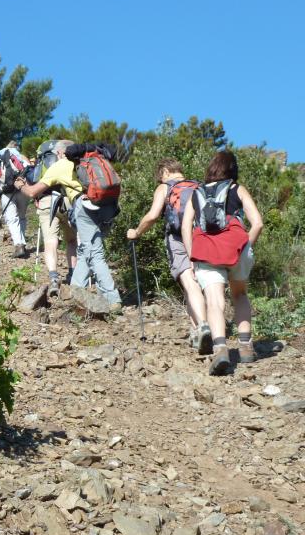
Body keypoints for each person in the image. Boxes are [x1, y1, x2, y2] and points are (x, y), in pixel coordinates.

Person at [181, 151, 263, 375]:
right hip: (236, 247)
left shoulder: (196, 193)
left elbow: (185, 226)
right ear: (233, 169)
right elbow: (257, 223)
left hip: (206, 249)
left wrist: (191, 255)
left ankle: (220, 350)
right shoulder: (237, 189)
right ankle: (245, 347)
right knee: (240, 295)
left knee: (214, 301)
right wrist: (246, 247)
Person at [15, 142, 122, 312]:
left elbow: (33, 192)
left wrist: (20, 185)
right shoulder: (92, 159)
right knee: (86, 250)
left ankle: (112, 298)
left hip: (85, 206)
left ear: (59, 152)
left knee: (95, 253)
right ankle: (75, 291)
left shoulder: (60, 165)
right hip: (109, 206)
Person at [127, 159, 211, 353]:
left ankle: (203, 325)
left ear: (165, 171)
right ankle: (197, 331)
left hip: (178, 238)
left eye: (160, 175)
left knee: (189, 283)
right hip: (203, 236)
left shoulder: (165, 188)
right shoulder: (199, 186)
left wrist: (136, 232)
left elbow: (153, 215)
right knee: (200, 283)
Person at [34, 140, 77, 295]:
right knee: (72, 240)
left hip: (46, 200)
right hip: (69, 201)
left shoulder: (45, 161)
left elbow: (35, 183)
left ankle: (53, 277)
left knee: (51, 241)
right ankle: (73, 274)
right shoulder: (73, 162)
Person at [0, 141, 30, 258]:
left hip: (7, 192)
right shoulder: (21, 157)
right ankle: (22, 244)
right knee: (22, 217)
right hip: (23, 190)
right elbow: (30, 171)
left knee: (12, 219)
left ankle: (19, 245)